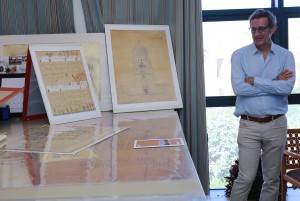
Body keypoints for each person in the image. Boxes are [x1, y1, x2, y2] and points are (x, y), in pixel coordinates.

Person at [230, 9, 296, 201]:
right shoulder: (239, 55)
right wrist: (274, 82)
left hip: (276, 125)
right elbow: (239, 89)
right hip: (248, 125)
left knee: (272, 179)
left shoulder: (286, 56)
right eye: (253, 30)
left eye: (261, 29)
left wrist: (256, 81)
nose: (257, 34)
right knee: (245, 177)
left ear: (272, 28)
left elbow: (286, 89)